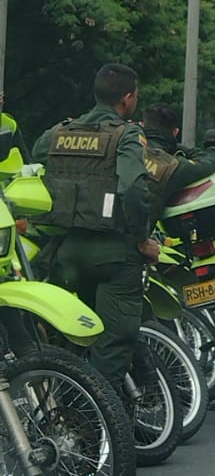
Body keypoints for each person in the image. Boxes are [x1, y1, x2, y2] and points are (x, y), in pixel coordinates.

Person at [32, 62, 155, 394]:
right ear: (127, 98)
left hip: (66, 255)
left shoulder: (59, 133)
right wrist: (143, 240)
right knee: (114, 343)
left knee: (76, 335)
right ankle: (103, 422)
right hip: (112, 255)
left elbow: (36, 156)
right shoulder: (125, 135)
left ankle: (68, 400)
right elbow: (133, 189)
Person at [141, 104, 215, 224]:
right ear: (175, 132)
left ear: (142, 125)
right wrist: (173, 144)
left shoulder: (125, 147)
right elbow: (209, 161)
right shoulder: (174, 167)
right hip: (135, 237)